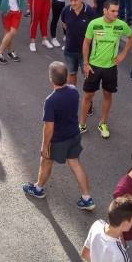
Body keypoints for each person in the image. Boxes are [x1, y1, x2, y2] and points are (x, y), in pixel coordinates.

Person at [22, 61, 95, 210]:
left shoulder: (51, 101)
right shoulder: (74, 90)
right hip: (74, 134)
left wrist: (44, 147)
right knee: (75, 163)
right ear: (66, 77)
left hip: (58, 140)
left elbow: (49, 128)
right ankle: (87, 198)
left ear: (51, 78)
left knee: (46, 162)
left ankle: (38, 189)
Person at [79, 0, 132, 139]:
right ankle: (82, 124)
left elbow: (131, 37)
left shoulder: (121, 25)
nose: (116, 14)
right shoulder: (94, 24)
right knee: (87, 96)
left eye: (117, 11)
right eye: (113, 11)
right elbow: (86, 43)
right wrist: (85, 63)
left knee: (107, 95)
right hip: (94, 67)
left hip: (110, 68)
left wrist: (123, 54)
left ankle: (102, 123)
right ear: (105, 11)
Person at [61, 0, 98, 86]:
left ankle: (88, 100)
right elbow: (64, 24)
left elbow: (95, 31)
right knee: (71, 74)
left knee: (88, 75)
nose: (73, 3)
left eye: (75, 1)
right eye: (71, 0)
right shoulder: (66, 10)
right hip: (70, 50)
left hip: (85, 52)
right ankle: (72, 96)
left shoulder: (90, 12)